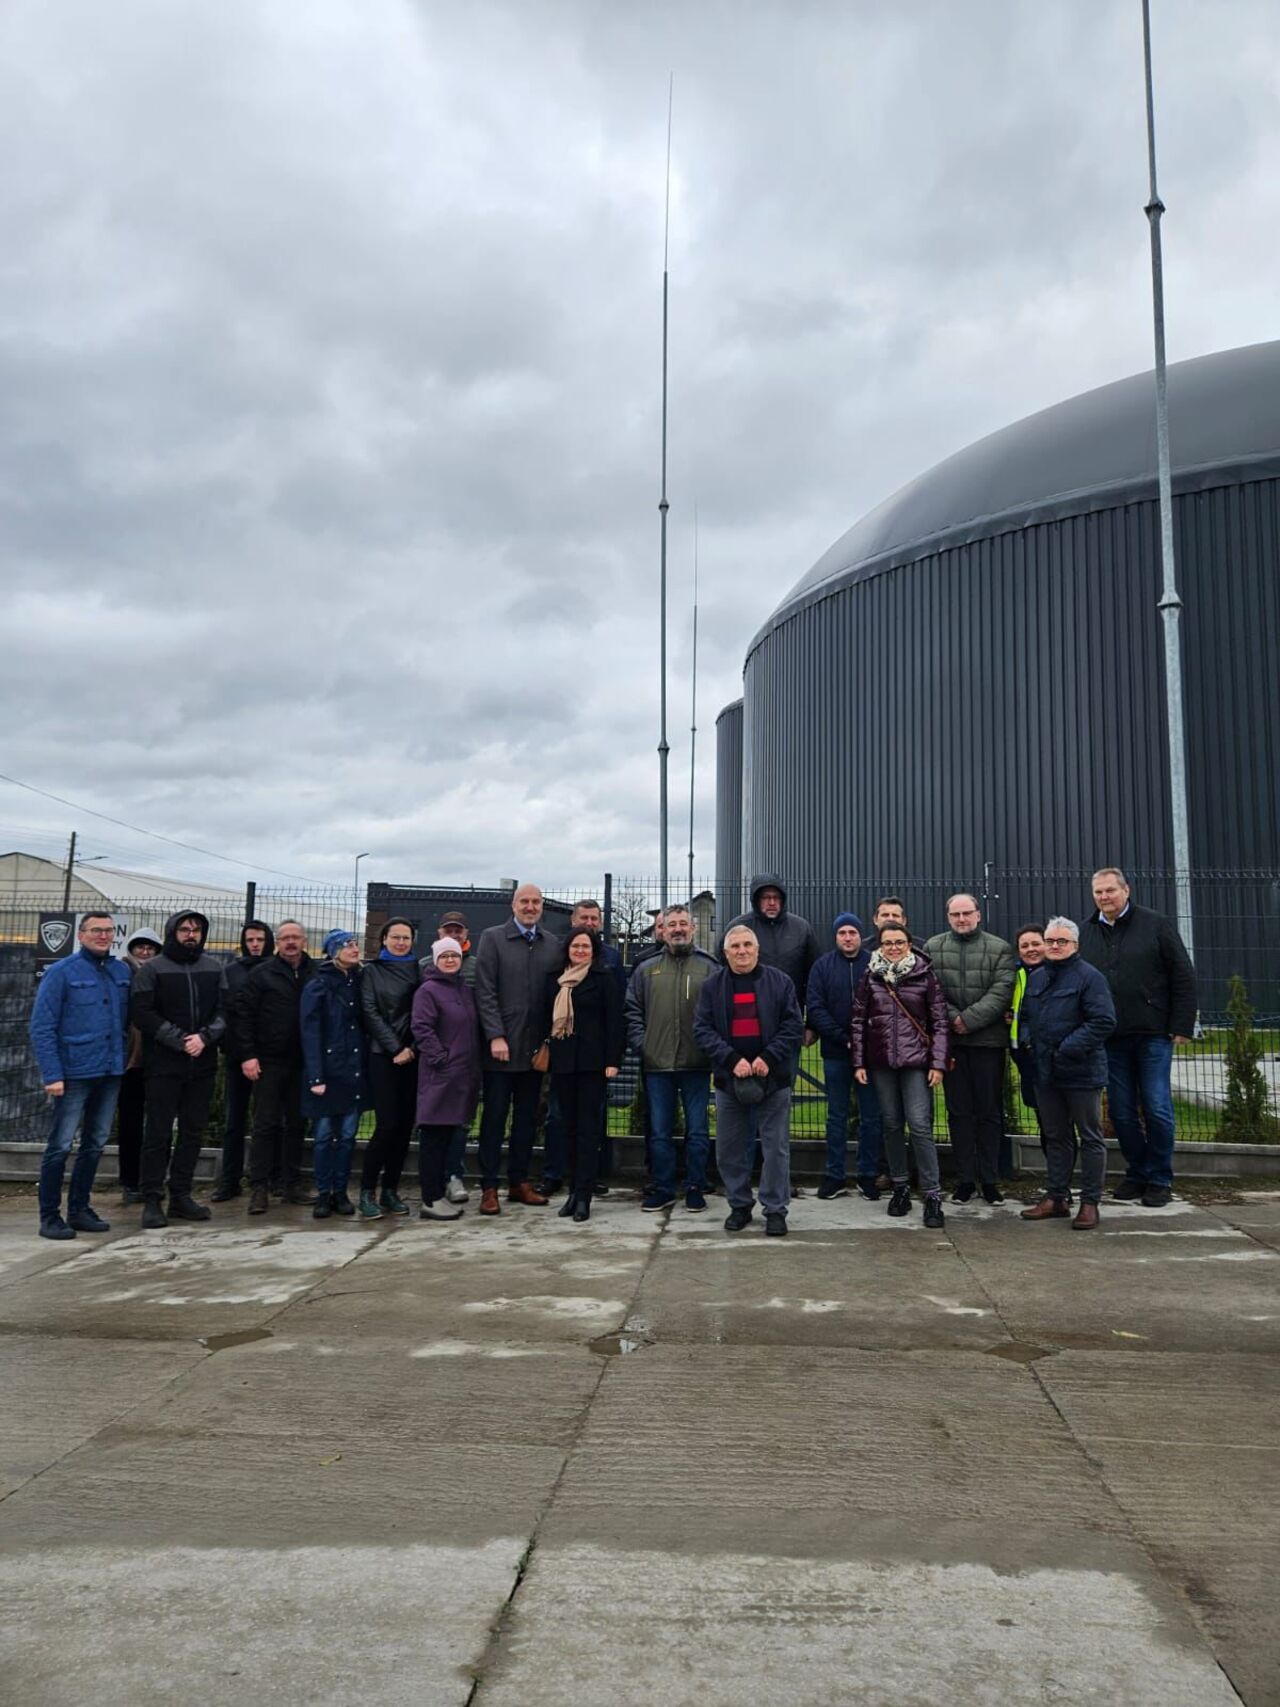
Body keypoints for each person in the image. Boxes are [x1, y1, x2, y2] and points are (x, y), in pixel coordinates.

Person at [1079, 867, 1197, 1208]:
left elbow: (1183, 976)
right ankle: (1137, 1172)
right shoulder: (1087, 933)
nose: (1104, 897)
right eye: (1098, 892)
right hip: (1111, 1037)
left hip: (1153, 1034)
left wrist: (1182, 1024)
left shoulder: (1156, 925)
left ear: (1126, 890)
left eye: (1110, 891)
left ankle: (1160, 1177)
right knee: (1121, 1110)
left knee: (1157, 1106)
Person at [693, 925, 804, 1237]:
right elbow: (702, 1029)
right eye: (735, 947)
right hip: (731, 1080)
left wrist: (768, 1058)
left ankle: (775, 1209)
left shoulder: (780, 982)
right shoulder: (712, 986)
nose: (741, 951)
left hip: (774, 1079)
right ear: (726, 953)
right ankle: (739, 1205)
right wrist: (732, 1060)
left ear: (757, 949)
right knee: (729, 1149)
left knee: (776, 1148)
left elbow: (793, 1025)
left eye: (747, 945)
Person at [28, 911, 131, 1239]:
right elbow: (42, 1027)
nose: (104, 936)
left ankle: (79, 1209)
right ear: (82, 934)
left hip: (110, 1071)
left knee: (95, 1142)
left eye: (109, 931)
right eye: (96, 930)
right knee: (60, 1145)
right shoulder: (62, 973)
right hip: (73, 1073)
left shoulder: (119, 971)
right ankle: (49, 1216)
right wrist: (52, 1073)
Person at [130, 910, 226, 1229]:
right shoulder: (153, 969)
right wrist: (179, 1040)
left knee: (192, 1132)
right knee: (157, 1133)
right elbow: (142, 1013)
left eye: (196, 930)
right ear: (172, 932)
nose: (190, 935)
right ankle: (152, 1199)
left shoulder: (214, 968)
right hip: (164, 1064)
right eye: (184, 929)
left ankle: (181, 1195)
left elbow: (225, 1011)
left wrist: (205, 1037)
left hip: (202, 1064)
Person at [851, 923, 950, 1228]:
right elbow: (857, 1019)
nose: (893, 947)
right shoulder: (870, 976)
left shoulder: (925, 974)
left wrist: (938, 1063)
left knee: (919, 1125)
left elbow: (940, 1022)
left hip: (916, 1063)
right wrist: (859, 1062)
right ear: (879, 946)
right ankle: (900, 1186)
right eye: (887, 943)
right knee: (892, 1124)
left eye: (899, 942)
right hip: (881, 1063)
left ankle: (932, 1194)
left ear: (909, 943)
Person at [1020, 918, 1116, 1230]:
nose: (1054, 946)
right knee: (1057, 1136)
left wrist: (1066, 1049)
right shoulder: (1037, 979)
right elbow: (1025, 1016)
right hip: (1046, 1072)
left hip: (1081, 1071)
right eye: (1050, 941)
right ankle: (1056, 1197)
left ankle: (1090, 1202)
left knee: (1090, 1137)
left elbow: (1103, 1021)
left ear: (1074, 945)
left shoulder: (1090, 978)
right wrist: (1027, 1040)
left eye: (1061, 941)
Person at [473, 883, 561, 1215]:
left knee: (526, 1121)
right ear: (513, 905)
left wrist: (549, 1041)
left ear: (542, 907)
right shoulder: (493, 938)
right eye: (524, 901)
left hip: (534, 1050)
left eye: (536, 901)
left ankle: (519, 1182)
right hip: (500, 1050)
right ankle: (489, 1186)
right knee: (494, 1119)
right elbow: (485, 990)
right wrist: (495, 1035)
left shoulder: (551, 944)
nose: (530, 906)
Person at [625, 903, 716, 1213]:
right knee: (660, 1132)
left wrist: (711, 1049)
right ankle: (663, 1188)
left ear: (692, 929)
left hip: (697, 1064)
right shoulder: (646, 969)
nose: (678, 929)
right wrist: (644, 1044)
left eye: (683, 924)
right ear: (662, 930)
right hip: (657, 1065)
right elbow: (632, 1010)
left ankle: (695, 1186)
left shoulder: (709, 967)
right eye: (672, 924)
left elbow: (720, 1013)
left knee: (699, 1130)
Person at [925, 895, 1015, 1205]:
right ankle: (965, 1180)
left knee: (989, 1113)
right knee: (959, 1113)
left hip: (988, 1044)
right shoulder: (933, 948)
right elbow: (930, 988)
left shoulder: (1000, 948)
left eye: (967, 913)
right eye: (955, 914)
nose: (962, 919)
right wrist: (954, 1020)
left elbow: (1002, 990)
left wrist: (969, 1020)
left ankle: (990, 1180)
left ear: (978, 914)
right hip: (951, 1046)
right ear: (948, 917)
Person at [543, 899, 627, 1197]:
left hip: (593, 1061)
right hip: (563, 1061)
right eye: (584, 918)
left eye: (595, 918)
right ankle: (558, 1176)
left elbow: (616, 1016)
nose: (590, 923)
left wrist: (612, 1058)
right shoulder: (556, 975)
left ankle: (587, 1183)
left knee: (591, 1124)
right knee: (561, 1121)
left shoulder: (609, 965)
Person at [233, 920, 316, 1215]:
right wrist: (248, 1055)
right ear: (277, 943)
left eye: (295, 937)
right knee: (265, 1124)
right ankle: (259, 1187)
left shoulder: (315, 972)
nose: (290, 942)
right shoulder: (261, 974)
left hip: (303, 1063)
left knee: (296, 1124)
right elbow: (243, 1016)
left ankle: (291, 1183)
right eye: (285, 938)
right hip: (268, 1061)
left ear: (304, 941)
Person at [806, 912, 884, 1200]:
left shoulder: (875, 964)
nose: (848, 938)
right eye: (842, 933)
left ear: (859, 935)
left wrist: (864, 1039)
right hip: (836, 1053)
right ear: (835, 936)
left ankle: (867, 1176)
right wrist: (844, 1038)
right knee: (836, 1116)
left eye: (852, 932)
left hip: (871, 1055)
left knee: (871, 1117)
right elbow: (815, 1007)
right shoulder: (822, 967)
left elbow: (885, 1004)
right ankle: (834, 1175)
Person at [411, 937, 482, 1222]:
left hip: (461, 1077)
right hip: (440, 1076)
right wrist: (441, 1058)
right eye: (445, 956)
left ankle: (439, 1193)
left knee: (447, 1137)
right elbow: (421, 1027)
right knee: (433, 1138)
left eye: (455, 955)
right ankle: (430, 1197)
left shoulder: (463, 989)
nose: (451, 960)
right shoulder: (428, 991)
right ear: (435, 960)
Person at [300, 929, 366, 1219]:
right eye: (348, 945)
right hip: (328, 1072)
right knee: (325, 1135)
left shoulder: (360, 981)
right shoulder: (319, 985)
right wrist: (316, 1076)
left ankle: (341, 1191)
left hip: (353, 1071)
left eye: (355, 943)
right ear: (333, 951)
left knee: (348, 1136)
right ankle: (323, 1193)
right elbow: (310, 1031)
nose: (354, 948)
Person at [358, 916, 421, 1219]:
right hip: (382, 1055)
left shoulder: (420, 971)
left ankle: (390, 1190)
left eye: (406, 937)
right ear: (384, 939)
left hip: (412, 1057)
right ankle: (367, 1190)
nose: (400, 942)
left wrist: (411, 1048)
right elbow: (369, 1012)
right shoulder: (371, 972)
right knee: (386, 1125)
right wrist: (395, 1048)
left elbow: (423, 1014)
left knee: (405, 1126)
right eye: (395, 937)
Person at [211, 920, 274, 1202]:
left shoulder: (277, 969)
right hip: (237, 1055)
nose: (255, 944)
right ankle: (230, 1180)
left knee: (270, 1120)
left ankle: (271, 1178)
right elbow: (223, 1009)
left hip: (271, 1056)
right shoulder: (231, 972)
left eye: (260, 939)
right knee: (234, 1121)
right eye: (250, 940)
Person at [430, 912, 476, 1203]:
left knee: (460, 1121)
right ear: (439, 934)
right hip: (436, 1061)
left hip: (468, 1059)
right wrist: (436, 1053)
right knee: (434, 1122)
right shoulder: (426, 967)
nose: (453, 935)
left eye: (458, 931)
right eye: (449, 931)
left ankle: (454, 1175)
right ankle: (434, 1179)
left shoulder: (476, 967)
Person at [116, 927, 163, 1205]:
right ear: (131, 949)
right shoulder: (121, 974)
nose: (145, 952)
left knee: (159, 1124)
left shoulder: (162, 974)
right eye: (140, 947)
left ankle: (154, 1178)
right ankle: (130, 1180)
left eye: (150, 948)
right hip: (129, 1061)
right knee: (130, 1123)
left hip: (158, 1058)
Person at [1008, 923, 1048, 1142]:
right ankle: (1054, 1171)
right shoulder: (1016, 974)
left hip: (1052, 1056)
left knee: (1058, 1119)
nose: (1030, 949)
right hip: (1025, 1057)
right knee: (1041, 1115)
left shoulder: (1056, 972)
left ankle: (1063, 1172)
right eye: (1024, 945)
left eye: (1036, 943)